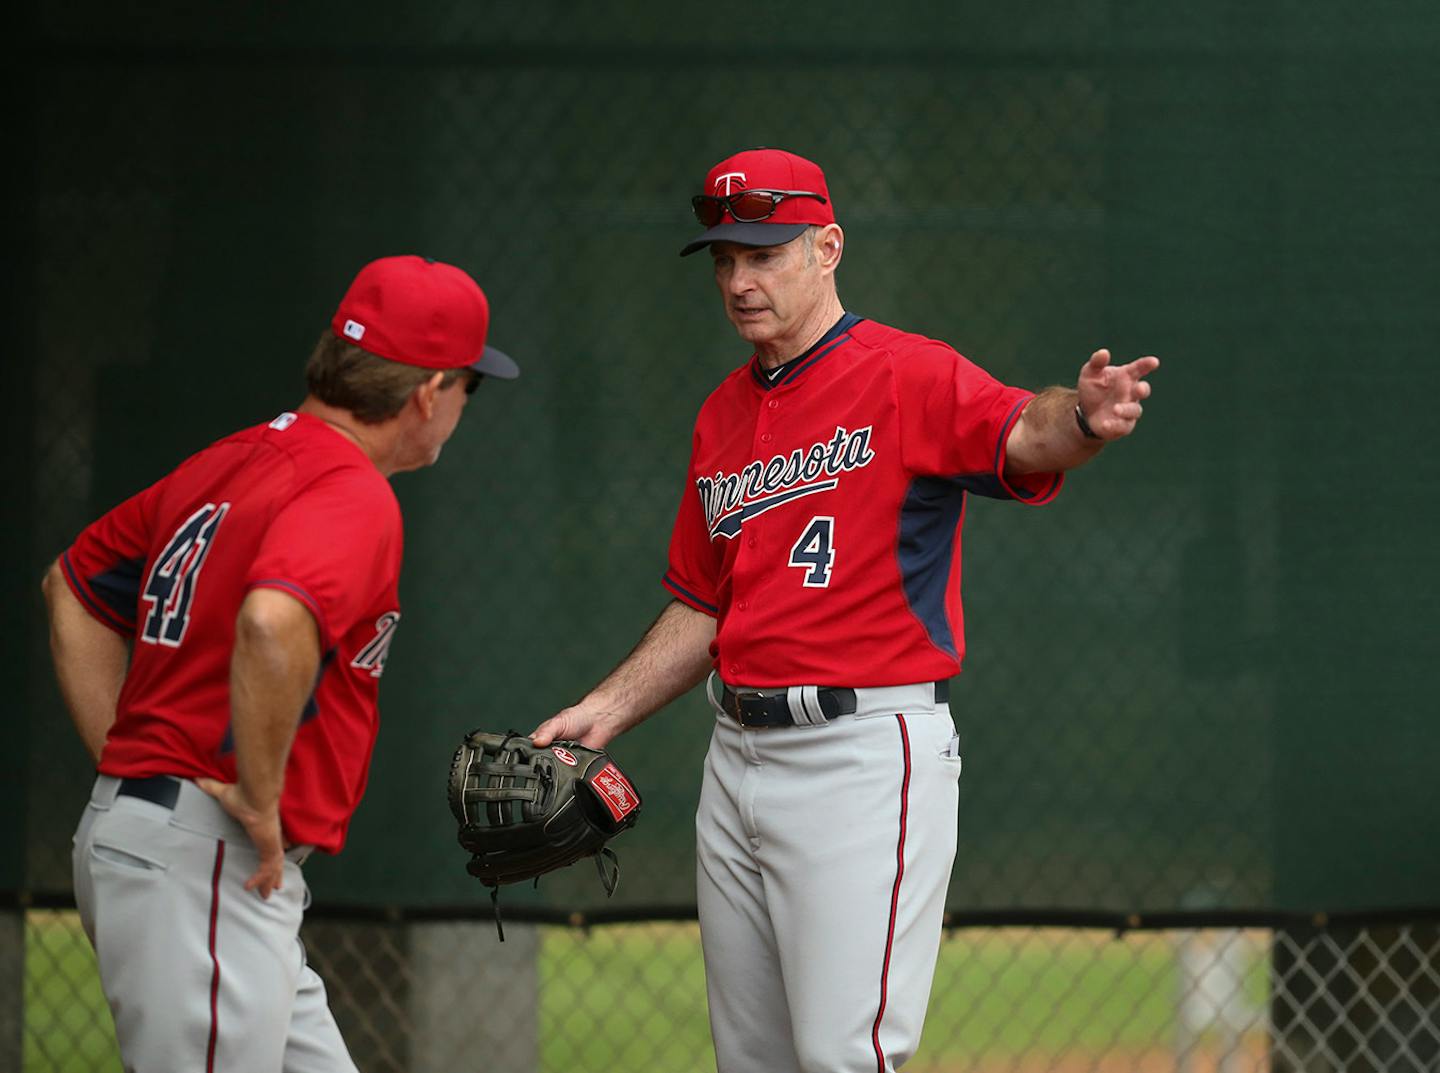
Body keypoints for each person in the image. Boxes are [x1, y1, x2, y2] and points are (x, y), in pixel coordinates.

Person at [530, 147, 1158, 1073]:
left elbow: (1026, 432)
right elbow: (705, 603)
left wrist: (1084, 420)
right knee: (756, 1062)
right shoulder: (721, 415)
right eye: (725, 260)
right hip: (734, 756)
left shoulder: (907, 373)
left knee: (845, 1058)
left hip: (859, 756)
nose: (741, 281)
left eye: (765, 253)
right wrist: (604, 710)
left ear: (827, 248)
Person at [43, 255, 518, 1073]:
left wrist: (135, 769)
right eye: (469, 390)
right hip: (212, 857)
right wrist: (254, 795)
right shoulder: (353, 490)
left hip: (179, 849)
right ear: (428, 393)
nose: (461, 409)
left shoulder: (229, 460)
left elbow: (72, 588)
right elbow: (271, 621)